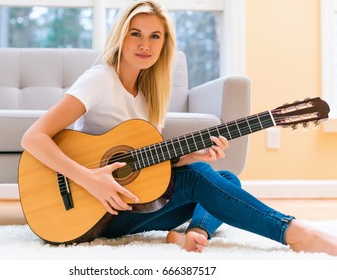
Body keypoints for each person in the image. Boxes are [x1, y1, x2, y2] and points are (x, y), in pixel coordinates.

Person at [21, 0, 337, 255]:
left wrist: (189, 156)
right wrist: (91, 180)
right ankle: (294, 232)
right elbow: (33, 137)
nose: (145, 44)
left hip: (130, 207)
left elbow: (141, 164)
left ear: (164, 44)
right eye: (136, 33)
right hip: (93, 210)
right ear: (121, 36)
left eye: (154, 36)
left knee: (224, 177)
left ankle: (194, 234)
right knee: (201, 180)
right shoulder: (99, 79)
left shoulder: (148, 95)